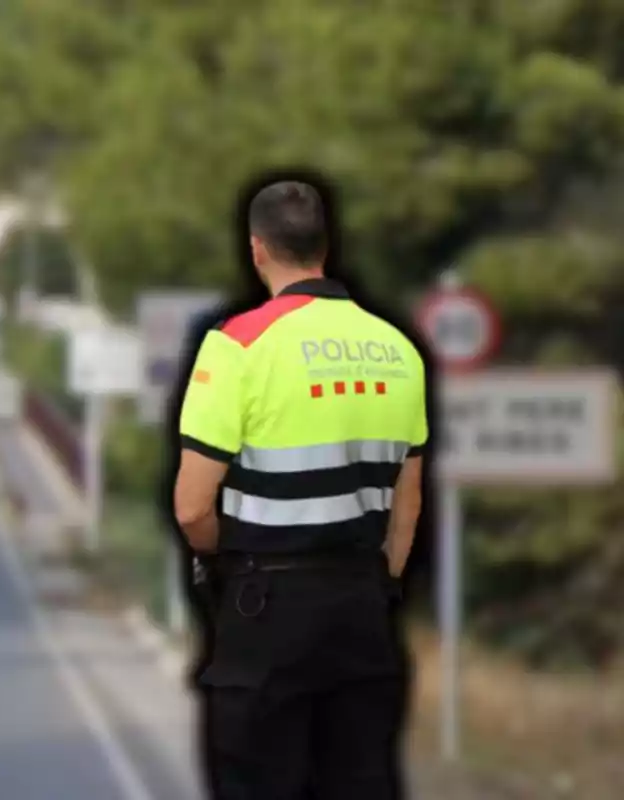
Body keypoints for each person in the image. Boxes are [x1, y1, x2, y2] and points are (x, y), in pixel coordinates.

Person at [173, 180, 427, 800]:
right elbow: (409, 498)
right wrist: (382, 582)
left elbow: (191, 507)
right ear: (326, 245)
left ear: (257, 249)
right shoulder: (399, 349)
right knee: (359, 782)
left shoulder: (238, 345)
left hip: (267, 608)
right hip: (362, 612)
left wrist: (220, 564)